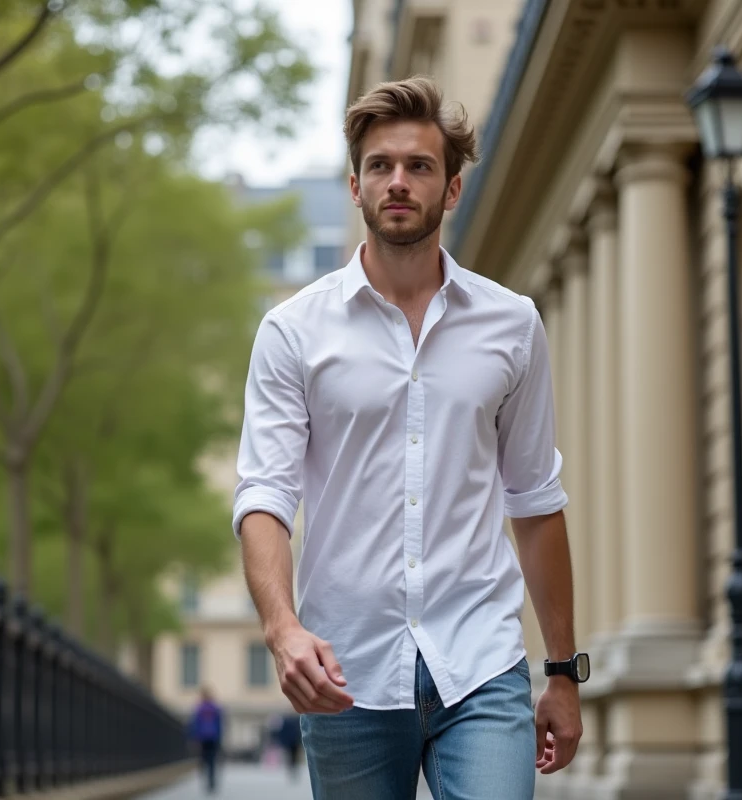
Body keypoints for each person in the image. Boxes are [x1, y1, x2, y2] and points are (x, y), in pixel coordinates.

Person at [233, 76, 585, 800]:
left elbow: (535, 499)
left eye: (419, 166)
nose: (398, 181)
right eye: (381, 166)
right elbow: (265, 493)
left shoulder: (512, 324)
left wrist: (561, 671)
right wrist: (281, 628)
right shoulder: (293, 332)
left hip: (481, 661)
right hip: (346, 672)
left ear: (451, 189)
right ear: (355, 186)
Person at [189, 687, 224, 794]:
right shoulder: (215, 708)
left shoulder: (199, 708)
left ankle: (206, 779)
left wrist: (194, 737)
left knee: (203, 759)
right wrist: (219, 737)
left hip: (203, 737)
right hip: (213, 737)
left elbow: (195, 724)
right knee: (212, 759)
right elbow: (219, 724)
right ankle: (211, 781)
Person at [277, 711, 303, 780]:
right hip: (290, 742)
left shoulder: (294, 720)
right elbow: (283, 732)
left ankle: (293, 770)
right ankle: (292, 770)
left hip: (294, 742)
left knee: (293, 757)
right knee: (291, 757)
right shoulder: (291, 721)